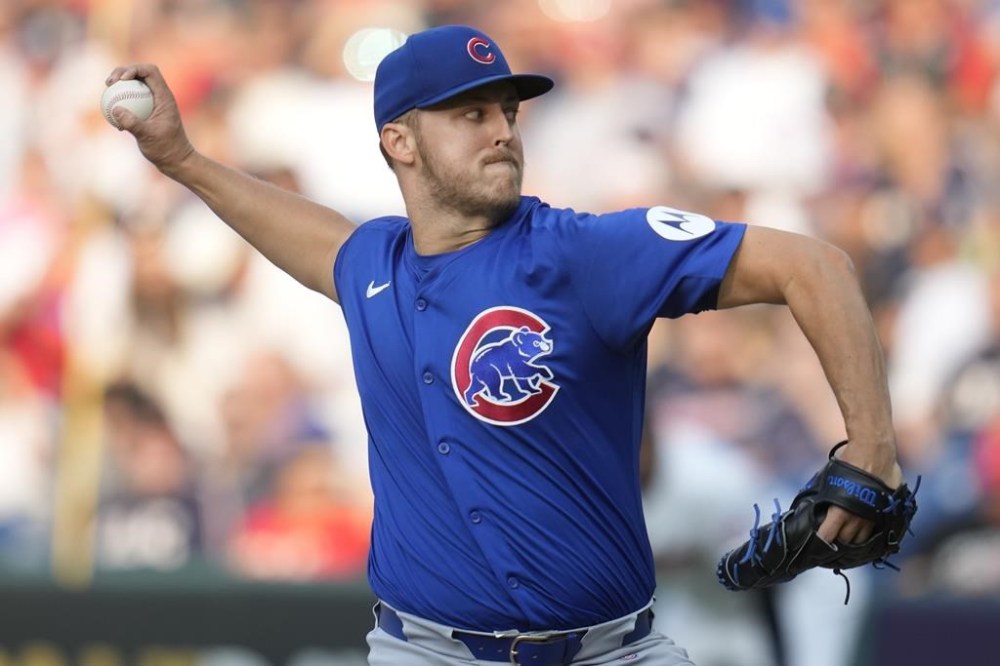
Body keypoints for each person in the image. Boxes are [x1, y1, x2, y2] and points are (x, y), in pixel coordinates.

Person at [105, 24, 903, 666]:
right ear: (400, 142)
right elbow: (311, 234)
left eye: (507, 112)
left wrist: (872, 449)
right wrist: (181, 160)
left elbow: (816, 266)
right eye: (470, 113)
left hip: (610, 651)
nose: (501, 133)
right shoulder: (374, 268)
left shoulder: (584, 254)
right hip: (425, 651)